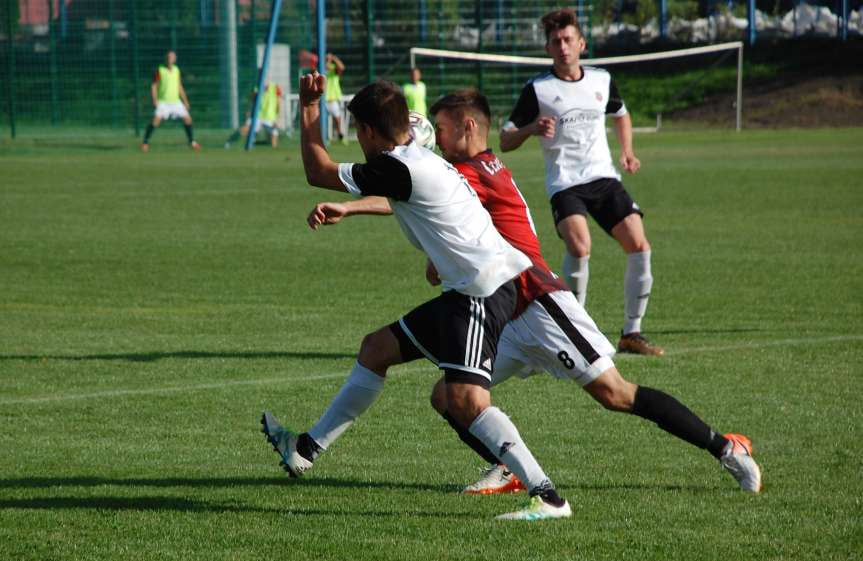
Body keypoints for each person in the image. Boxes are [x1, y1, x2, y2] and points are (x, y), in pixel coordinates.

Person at [260, 75, 572, 521]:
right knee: (376, 349)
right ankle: (305, 450)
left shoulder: (401, 166)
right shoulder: (412, 160)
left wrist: (310, 106)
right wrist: (351, 209)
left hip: (480, 291)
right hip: (471, 287)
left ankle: (548, 497)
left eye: (356, 130)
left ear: (368, 131)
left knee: (464, 401)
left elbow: (318, 171)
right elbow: (398, 197)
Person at [426, 89, 762, 495]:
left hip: (539, 304)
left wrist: (357, 200)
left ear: (468, 126)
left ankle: (728, 449)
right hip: (507, 316)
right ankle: (505, 468)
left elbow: (414, 195)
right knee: (448, 396)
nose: (437, 139)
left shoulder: (474, 171)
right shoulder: (476, 170)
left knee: (614, 394)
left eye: (441, 130)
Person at [500, 9, 662, 356]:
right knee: (580, 246)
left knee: (639, 244)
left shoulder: (601, 80)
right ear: (548, 49)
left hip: (604, 178)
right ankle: (574, 330)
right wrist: (530, 129)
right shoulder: (538, 90)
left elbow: (620, 114)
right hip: (565, 183)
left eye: (568, 40)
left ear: (581, 44)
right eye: (556, 42)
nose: (562, 47)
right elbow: (505, 138)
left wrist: (628, 151)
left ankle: (632, 332)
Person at [141, 51, 201, 152]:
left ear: (175, 59)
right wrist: (154, 99)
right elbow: (154, 85)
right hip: (163, 102)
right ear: (165, 58)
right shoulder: (160, 70)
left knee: (187, 119)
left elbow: (179, 86)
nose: (170, 59)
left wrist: (185, 101)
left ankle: (192, 142)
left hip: (176, 102)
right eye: (168, 57)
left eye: (172, 57)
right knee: (156, 120)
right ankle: (145, 143)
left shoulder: (176, 70)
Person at [224, 81, 283, 149]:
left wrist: (278, 118)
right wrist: (249, 112)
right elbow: (252, 100)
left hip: (269, 118)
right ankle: (229, 142)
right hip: (257, 115)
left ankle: (256, 144)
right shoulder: (257, 87)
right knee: (245, 129)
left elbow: (279, 104)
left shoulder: (275, 88)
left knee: (273, 139)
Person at [325, 53, 348, 144]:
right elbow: (326, 67)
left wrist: (334, 58)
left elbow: (342, 68)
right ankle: (325, 137)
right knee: (322, 120)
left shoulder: (334, 69)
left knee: (337, 119)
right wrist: (328, 60)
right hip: (322, 99)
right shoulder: (322, 67)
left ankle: (340, 136)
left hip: (332, 99)